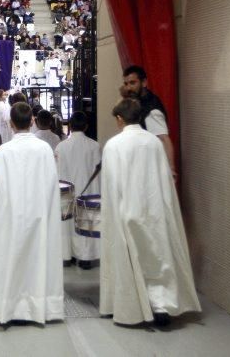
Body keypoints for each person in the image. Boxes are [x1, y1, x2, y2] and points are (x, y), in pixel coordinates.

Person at [100, 98, 201, 326]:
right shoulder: (153, 143)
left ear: (119, 119)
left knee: (130, 258)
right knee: (157, 256)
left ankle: (132, 306)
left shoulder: (114, 145)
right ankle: (161, 304)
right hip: (153, 210)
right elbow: (163, 177)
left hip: (126, 209)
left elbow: (111, 184)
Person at [0, 102, 63, 324]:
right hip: (39, 212)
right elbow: (52, 184)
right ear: (31, 121)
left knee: (9, 258)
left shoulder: (4, 152)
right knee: (36, 260)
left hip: (10, 214)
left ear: (11, 124)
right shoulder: (44, 150)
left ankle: (7, 306)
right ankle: (37, 305)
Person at [55, 111, 101, 269]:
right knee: (86, 225)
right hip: (88, 191)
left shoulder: (61, 147)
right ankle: (85, 258)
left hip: (67, 191)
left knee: (67, 225)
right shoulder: (94, 146)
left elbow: (58, 170)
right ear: (86, 126)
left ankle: (67, 255)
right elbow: (97, 172)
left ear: (70, 126)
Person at [121, 65, 176, 179]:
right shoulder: (137, 101)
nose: (129, 88)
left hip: (151, 169)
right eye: (126, 84)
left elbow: (163, 139)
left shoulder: (151, 109)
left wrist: (171, 169)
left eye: (133, 83)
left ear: (144, 82)